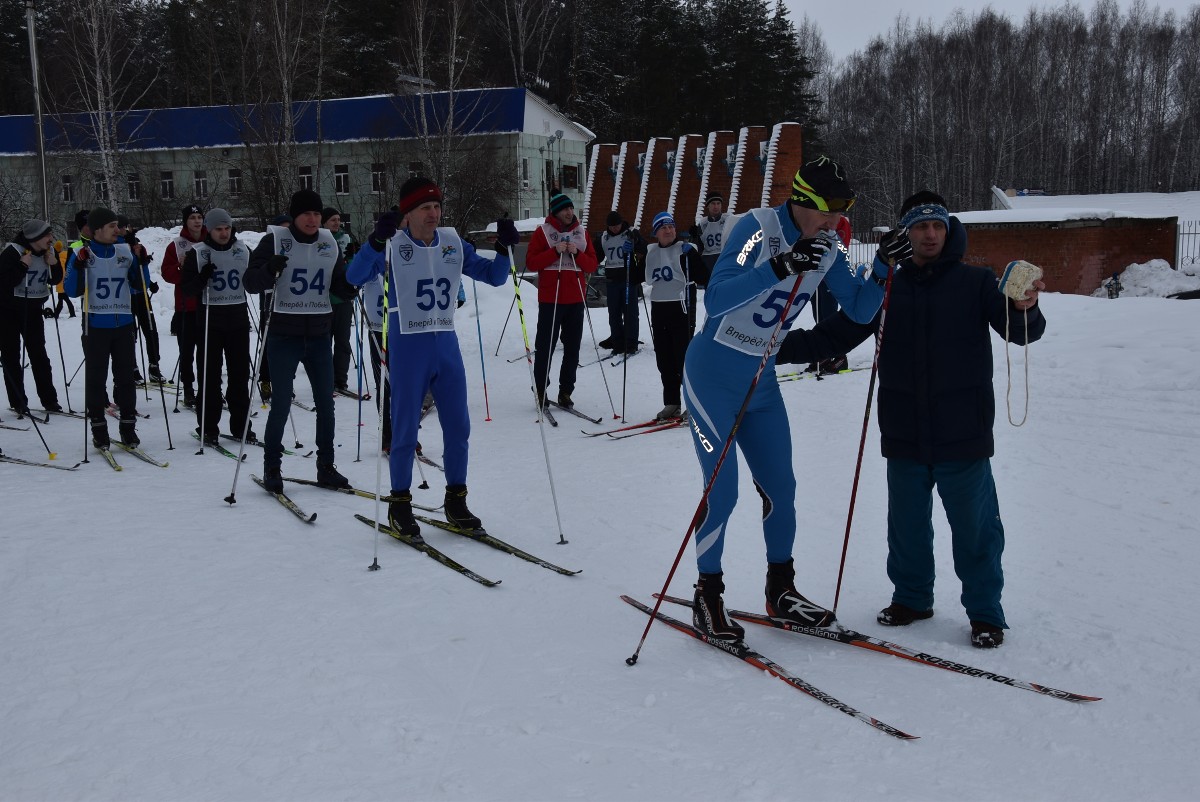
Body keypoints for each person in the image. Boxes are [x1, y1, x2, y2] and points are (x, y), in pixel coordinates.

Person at [777, 190, 1047, 649]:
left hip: (963, 431)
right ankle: (912, 598)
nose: (930, 234)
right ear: (905, 234)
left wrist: (1026, 307)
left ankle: (985, 613)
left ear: (949, 231)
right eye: (920, 226)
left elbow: (1021, 332)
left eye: (938, 226)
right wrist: (769, 344)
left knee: (976, 530)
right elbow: (836, 335)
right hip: (903, 428)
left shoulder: (977, 282)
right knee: (906, 528)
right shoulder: (885, 287)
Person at [681, 156, 885, 642]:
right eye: (827, 213)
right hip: (711, 378)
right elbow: (717, 298)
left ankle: (781, 590)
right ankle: (707, 594)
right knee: (723, 492)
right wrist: (781, 265)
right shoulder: (757, 228)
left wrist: (883, 268)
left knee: (781, 488)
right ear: (801, 201)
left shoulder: (830, 246)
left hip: (762, 382)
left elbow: (860, 309)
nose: (834, 224)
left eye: (841, 214)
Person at [346, 177, 513, 536]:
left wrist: (503, 250)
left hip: (446, 347)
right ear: (407, 213)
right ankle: (399, 505)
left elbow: (495, 277)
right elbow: (353, 276)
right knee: (405, 429)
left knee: (459, 427)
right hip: (408, 348)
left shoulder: (453, 242)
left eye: (437, 206)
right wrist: (374, 242)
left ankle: (456, 501)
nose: (433, 213)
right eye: (425, 207)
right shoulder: (393, 244)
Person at [243, 189, 357, 492]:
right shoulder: (274, 240)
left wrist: (350, 285)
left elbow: (339, 283)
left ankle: (326, 466)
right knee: (281, 403)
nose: (313, 219)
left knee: (326, 404)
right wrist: (269, 269)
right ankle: (272, 466)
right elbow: (250, 282)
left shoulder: (328, 242)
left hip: (319, 334)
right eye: (306, 213)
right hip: (284, 334)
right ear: (295, 215)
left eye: (317, 213)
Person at [63, 207, 145, 448]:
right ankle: (99, 429)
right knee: (96, 379)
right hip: (96, 324)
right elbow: (71, 290)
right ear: (97, 229)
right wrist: (78, 267)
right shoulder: (82, 252)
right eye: (112, 226)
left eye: (117, 225)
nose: (117, 230)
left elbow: (140, 285)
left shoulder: (125, 251)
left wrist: (141, 262)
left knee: (126, 379)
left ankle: (128, 428)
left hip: (124, 323)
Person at [180, 208, 255, 446]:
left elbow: (255, 281)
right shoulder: (198, 252)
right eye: (218, 229)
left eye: (227, 228)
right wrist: (202, 278)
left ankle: (241, 426)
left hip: (238, 320)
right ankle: (208, 427)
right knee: (210, 378)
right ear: (209, 230)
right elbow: (186, 290)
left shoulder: (243, 249)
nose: (224, 233)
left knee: (239, 377)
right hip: (209, 323)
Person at [525, 192, 599, 408]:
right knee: (545, 346)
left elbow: (592, 265)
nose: (570, 212)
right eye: (565, 209)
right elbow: (531, 262)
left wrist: (577, 254)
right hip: (551, 299)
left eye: (571, 208)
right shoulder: (543, 232)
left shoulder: (581, 233)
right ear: (556, 212)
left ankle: (566, 391)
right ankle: (540, 389)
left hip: (575, 299)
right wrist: (554, 252)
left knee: (572, 348)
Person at [0, 219, 63, 414]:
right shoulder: (13, 252)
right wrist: (22, 266)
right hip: (8, 311)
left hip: (33, 310)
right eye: (47, 235)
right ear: (35, 237)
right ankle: (18, 401)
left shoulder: (48, 252)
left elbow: (54, 280)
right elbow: (3, 283)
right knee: (11, 356)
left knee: (39, 355)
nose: (51, 239)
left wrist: (54, 265)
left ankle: (49, 400)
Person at [643, 212, 701, 420]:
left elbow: (703, 275)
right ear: (656, 232)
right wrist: (630, 255)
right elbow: (637, 276)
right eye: (663, 227)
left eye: (671, 227)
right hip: (659, 308)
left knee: (683, 358)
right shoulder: (651, 252)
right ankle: (672, 402)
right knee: (664, 359)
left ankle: (693, 404)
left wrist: (692, 256)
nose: (668, 231)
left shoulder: (685, 249)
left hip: (681, 307)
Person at [160, 204, 207, 406]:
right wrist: (183, 269)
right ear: (186, 222)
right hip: (185, 307)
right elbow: (167, 273)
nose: (197, 221)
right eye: (192, 218)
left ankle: (208, 389)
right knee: (186, 352)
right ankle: (188, 389)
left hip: (208, 305)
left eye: (199, 217)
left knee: (208, 352)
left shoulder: (211, 240)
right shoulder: (177, 245)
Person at [118, 215, 164, 383]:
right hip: (126, 296)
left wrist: (149, 283)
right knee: (131, 333)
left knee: (150, 330)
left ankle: (154, 365)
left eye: (126, 227)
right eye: (121, 227)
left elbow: (141, 271)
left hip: (141, 294)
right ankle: (132, 367)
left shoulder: (138, 246)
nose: (125, 230)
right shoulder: (116, 246)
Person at [594, 210, 644, 355]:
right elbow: (595, 256)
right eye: (612, 226)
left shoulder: (631, 233)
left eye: (617, 225)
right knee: (614, 314)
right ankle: (617, 342)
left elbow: (643, 248)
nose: (615, 228)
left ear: (621, 223)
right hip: (612, 281)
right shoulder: (603, 237)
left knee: (630, 313)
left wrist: (636, 243)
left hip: (629, 279)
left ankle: (631, 343)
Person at [323, 206, 357, 394]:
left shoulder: (346, 238)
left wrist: (352, 259)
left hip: (343, 298)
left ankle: (340, 380)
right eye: (332, 220)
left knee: (343, 341)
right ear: (324, 223)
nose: (337, 223)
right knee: (324, 343)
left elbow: (354, 265)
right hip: (324, 299)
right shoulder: (320, 239)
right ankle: (326, 379)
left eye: (338, 219)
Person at [688, 191, 730, 288]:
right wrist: (694, 236)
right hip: (708, 261)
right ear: (708, 206)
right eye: (713, 203)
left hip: (724, 257)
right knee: (710, 288)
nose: (716, 206)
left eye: (718, 203)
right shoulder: (703, 223)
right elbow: (698, 247)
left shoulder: (728, 219)